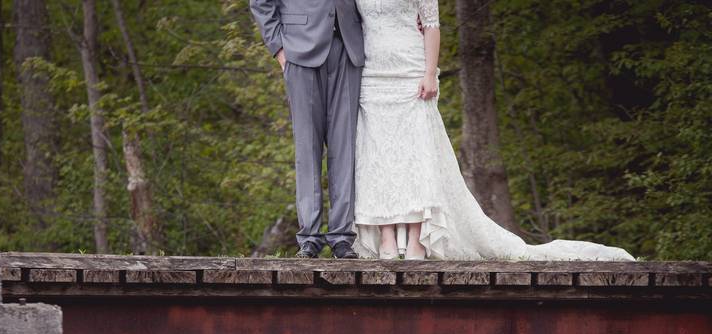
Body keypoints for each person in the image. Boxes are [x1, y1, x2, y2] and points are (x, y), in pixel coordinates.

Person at [351, 0, 636, 261]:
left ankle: (416, 238)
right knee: (379, 156)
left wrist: (429, 73)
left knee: (416, 155)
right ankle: (385, 236)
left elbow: (431, 25)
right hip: (371, 74)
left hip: (411, 71)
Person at [249, 0, 365, 259]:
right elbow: (260, 3)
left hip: (349, 47)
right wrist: (278, 48)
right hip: (299, 48)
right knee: (307, 148)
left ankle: (342, 236)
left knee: (345, 148)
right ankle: (310, 237)